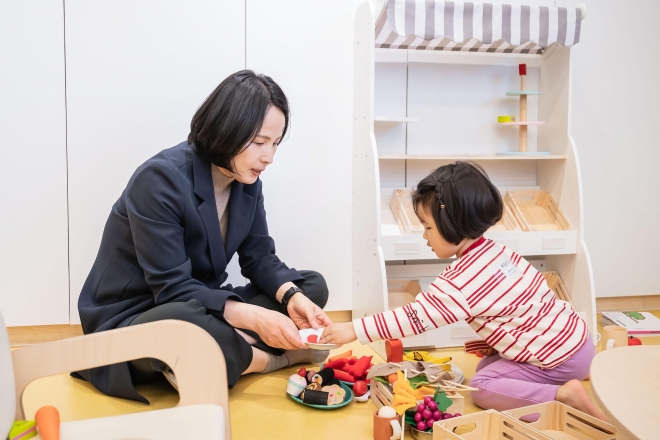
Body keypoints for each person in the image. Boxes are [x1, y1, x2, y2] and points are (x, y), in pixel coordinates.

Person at [75, 70, 332, 403]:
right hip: (138, 315)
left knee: (311, 286)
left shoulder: (247, 182)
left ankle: (218, 352)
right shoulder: (159, 179)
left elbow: (259, 258)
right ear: (228, 130)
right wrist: (254, 317)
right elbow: (172, 290)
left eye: (275, 143)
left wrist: (291, 297)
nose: (269, 157)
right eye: (259, 142)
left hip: (204, 304)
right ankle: (267, 359)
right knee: (183, 323)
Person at [320, 161, 608, 421]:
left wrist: (355, 329)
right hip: (580, 344)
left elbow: (415, 318)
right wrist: (499, 343)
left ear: (452, 225)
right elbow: (524, 308)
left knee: (482, 388)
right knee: (486, 367)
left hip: (561, 362)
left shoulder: (460, 280)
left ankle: (561, 397)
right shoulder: (499, 253)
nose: (424, 236)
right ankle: (552, 386)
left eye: (428, 227)